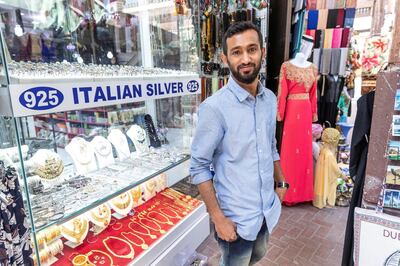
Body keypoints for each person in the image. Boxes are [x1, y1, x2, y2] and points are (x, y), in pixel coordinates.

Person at [190, 22, 288, 266]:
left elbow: (271, 145)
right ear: (225, 58)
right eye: (236, 52)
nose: (245, 58)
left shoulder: (269, 100)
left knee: (257, 256)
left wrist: (281, 181)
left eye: (252, 49)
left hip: (267, 210)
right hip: (236, 220)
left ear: (262, 52)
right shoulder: (214, 109)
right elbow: (198, 167)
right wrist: (217, 217)